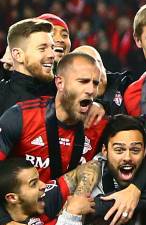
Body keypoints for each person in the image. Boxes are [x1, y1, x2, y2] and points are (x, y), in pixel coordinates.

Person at [0, 52, 105, 182]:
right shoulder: (21, 116)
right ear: (60, 83)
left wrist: (133, 190)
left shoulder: (98, 123)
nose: (91, 90)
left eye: (95, 83)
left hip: (72, 201)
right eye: (83, 81)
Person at [0, 18, 56, 114]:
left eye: (52, 48)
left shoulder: (61, 92)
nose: (52, 55)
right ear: (18, 55)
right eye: (42, 49)